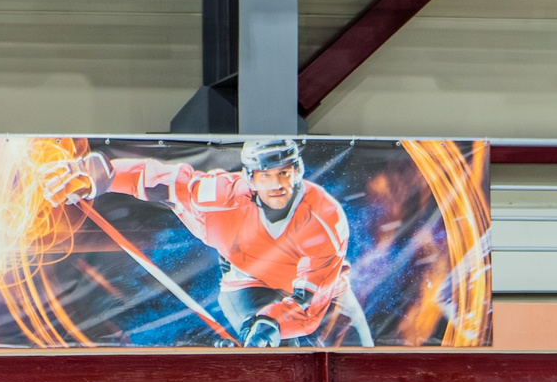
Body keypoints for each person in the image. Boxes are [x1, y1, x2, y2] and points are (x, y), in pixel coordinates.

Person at [42, 138, 371, 348]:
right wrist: (99, 175)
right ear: (251, 178)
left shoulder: (323, 219)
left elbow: (308, 304)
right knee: (264, 347)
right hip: (247, 280)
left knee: (354, 358)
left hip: (320, 295)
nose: (278, 184)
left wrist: (271, 323)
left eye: (285, 173)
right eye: (267, 175)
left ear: (297, 171)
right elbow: (169, 182)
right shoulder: (221, 199)